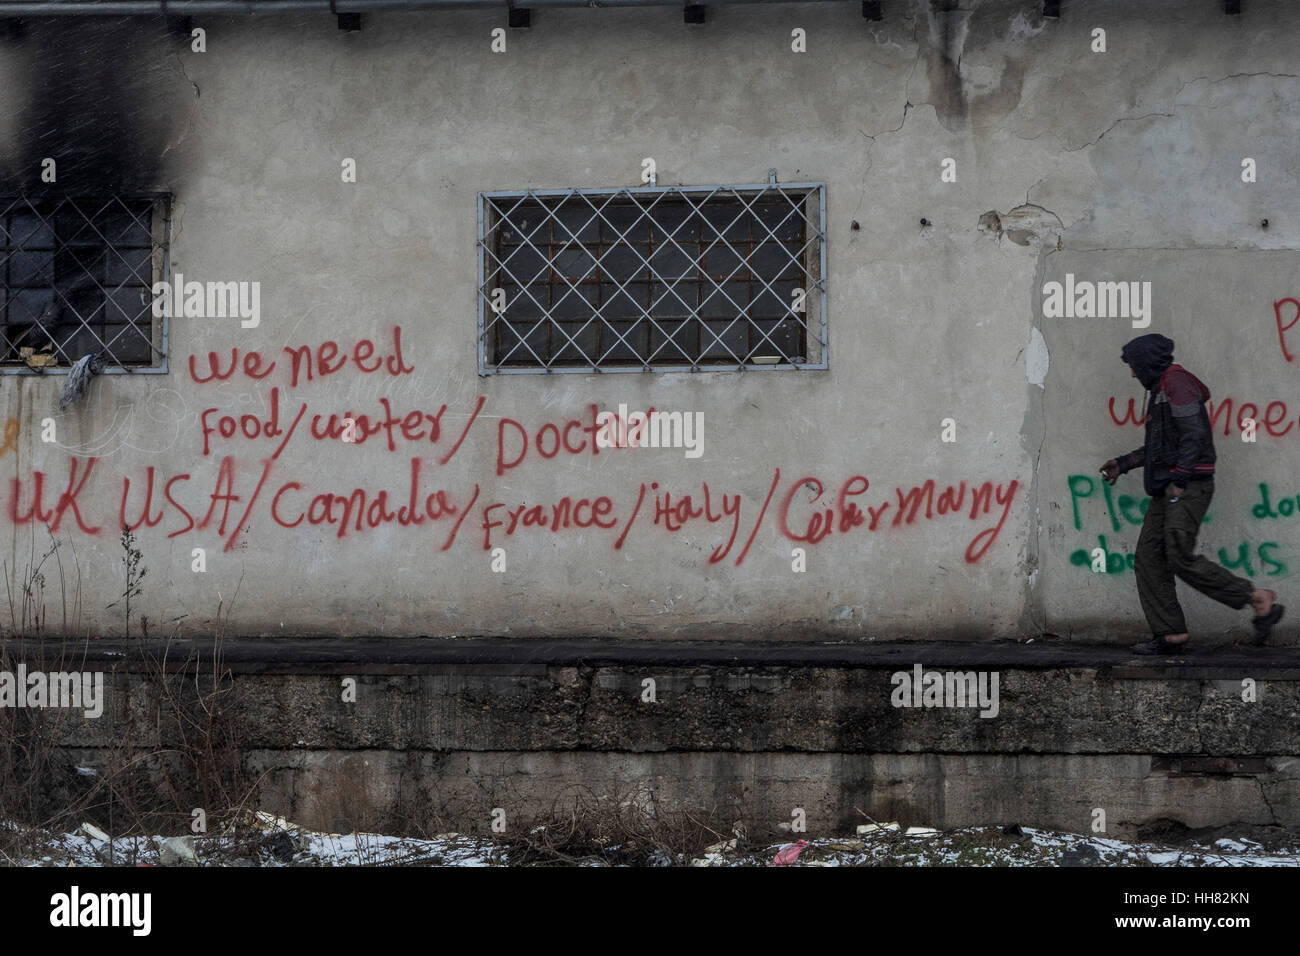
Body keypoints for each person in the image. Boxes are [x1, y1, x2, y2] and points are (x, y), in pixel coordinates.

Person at [1099, 333, 1284, 654]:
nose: (1132, 374)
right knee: (1148, 557)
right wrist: (1123, 464)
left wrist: (1181, 480)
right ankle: (1170, 633)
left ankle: (1256, 598)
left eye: (1134, 366)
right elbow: (1160, 447)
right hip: (1170, 487)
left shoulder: (1177, 384)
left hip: (1186, 486)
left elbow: (1194, 436)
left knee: (1179, 554)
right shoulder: (1161, 389)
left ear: (1147, 362)